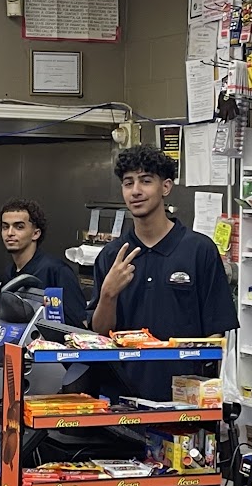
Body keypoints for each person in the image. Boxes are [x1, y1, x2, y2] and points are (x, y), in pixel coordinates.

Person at [91, 145, 237, 398]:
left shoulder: (199, 250)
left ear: (166, 187)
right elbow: (100, 334)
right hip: (121, 399)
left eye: (146, 181)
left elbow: (216, 333)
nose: (136, 191)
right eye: (128, 183)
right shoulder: (112, 255)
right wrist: (108, 295)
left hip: (184, 399)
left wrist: (203, 390)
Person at [0, 197, 87, 328]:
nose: (10, 233)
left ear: (35, 233)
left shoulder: (57, 271)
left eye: (19, 227)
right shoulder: (8, 273)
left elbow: (80, 326)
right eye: (5, 227)